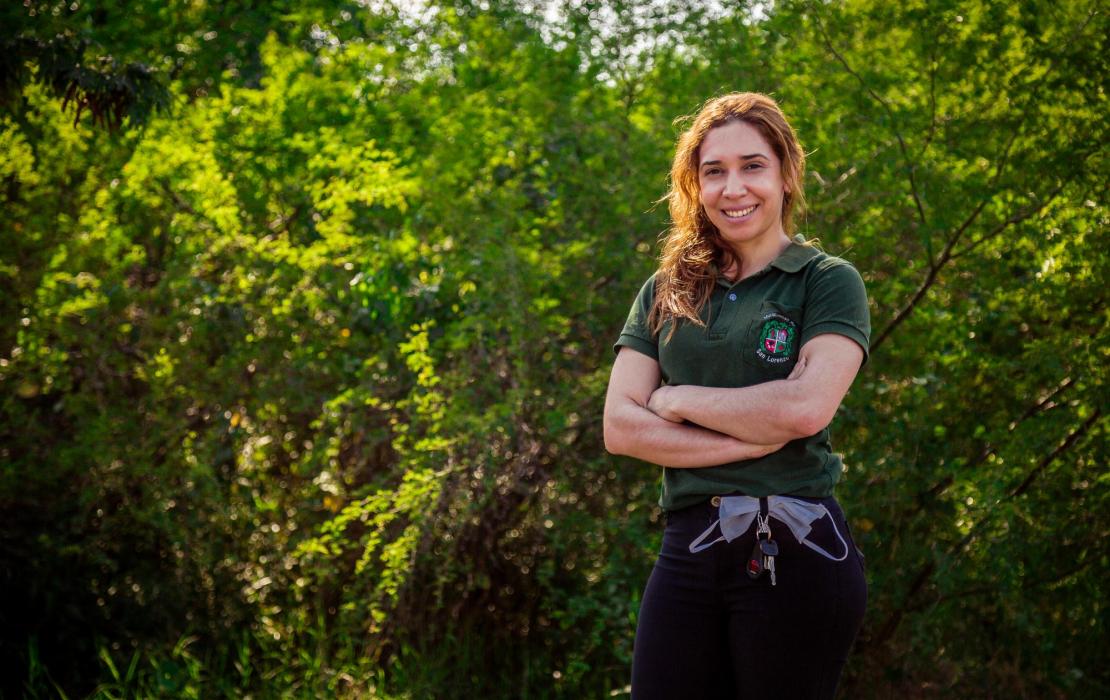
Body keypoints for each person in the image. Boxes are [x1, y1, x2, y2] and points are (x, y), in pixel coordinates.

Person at [603, 92, 871, 699]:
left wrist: (677, 400)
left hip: (798, 549)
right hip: (690, 544)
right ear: (693, 185)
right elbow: (621, 427)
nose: (733, 188)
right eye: (713, 171)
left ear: (785, 173)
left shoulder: (826, 281)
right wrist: (754, 438)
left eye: (752, 166)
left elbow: (804, 409)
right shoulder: (665, 289)